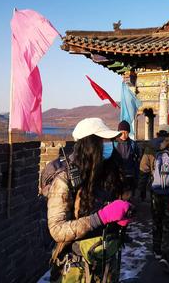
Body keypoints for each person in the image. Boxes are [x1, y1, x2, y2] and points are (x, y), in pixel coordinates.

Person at [44, 117, 132, 282]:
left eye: (109, 140)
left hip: (106, 261)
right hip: (78, 267)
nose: (109, 145)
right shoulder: (65, 179)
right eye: (104, 140)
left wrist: (119, 217)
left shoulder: (106, 171)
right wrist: (100, 218)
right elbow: (57, 229)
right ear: (89, 145)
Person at [138, 124, 169, 273]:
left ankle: (157, 250)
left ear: (157, 133)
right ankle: (167, 255)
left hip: (156, 191)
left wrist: (142, 190)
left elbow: (144, 170)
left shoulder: (150, 148)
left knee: (157, 221)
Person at [114, 120, 141, 200]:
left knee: (128, 198)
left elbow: (138, 156)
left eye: (126, 132)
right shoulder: (113, 143)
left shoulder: (133, 144)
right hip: (117, 175)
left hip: (130, 175)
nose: (124, 135)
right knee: (117, 198)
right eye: (122, 132)